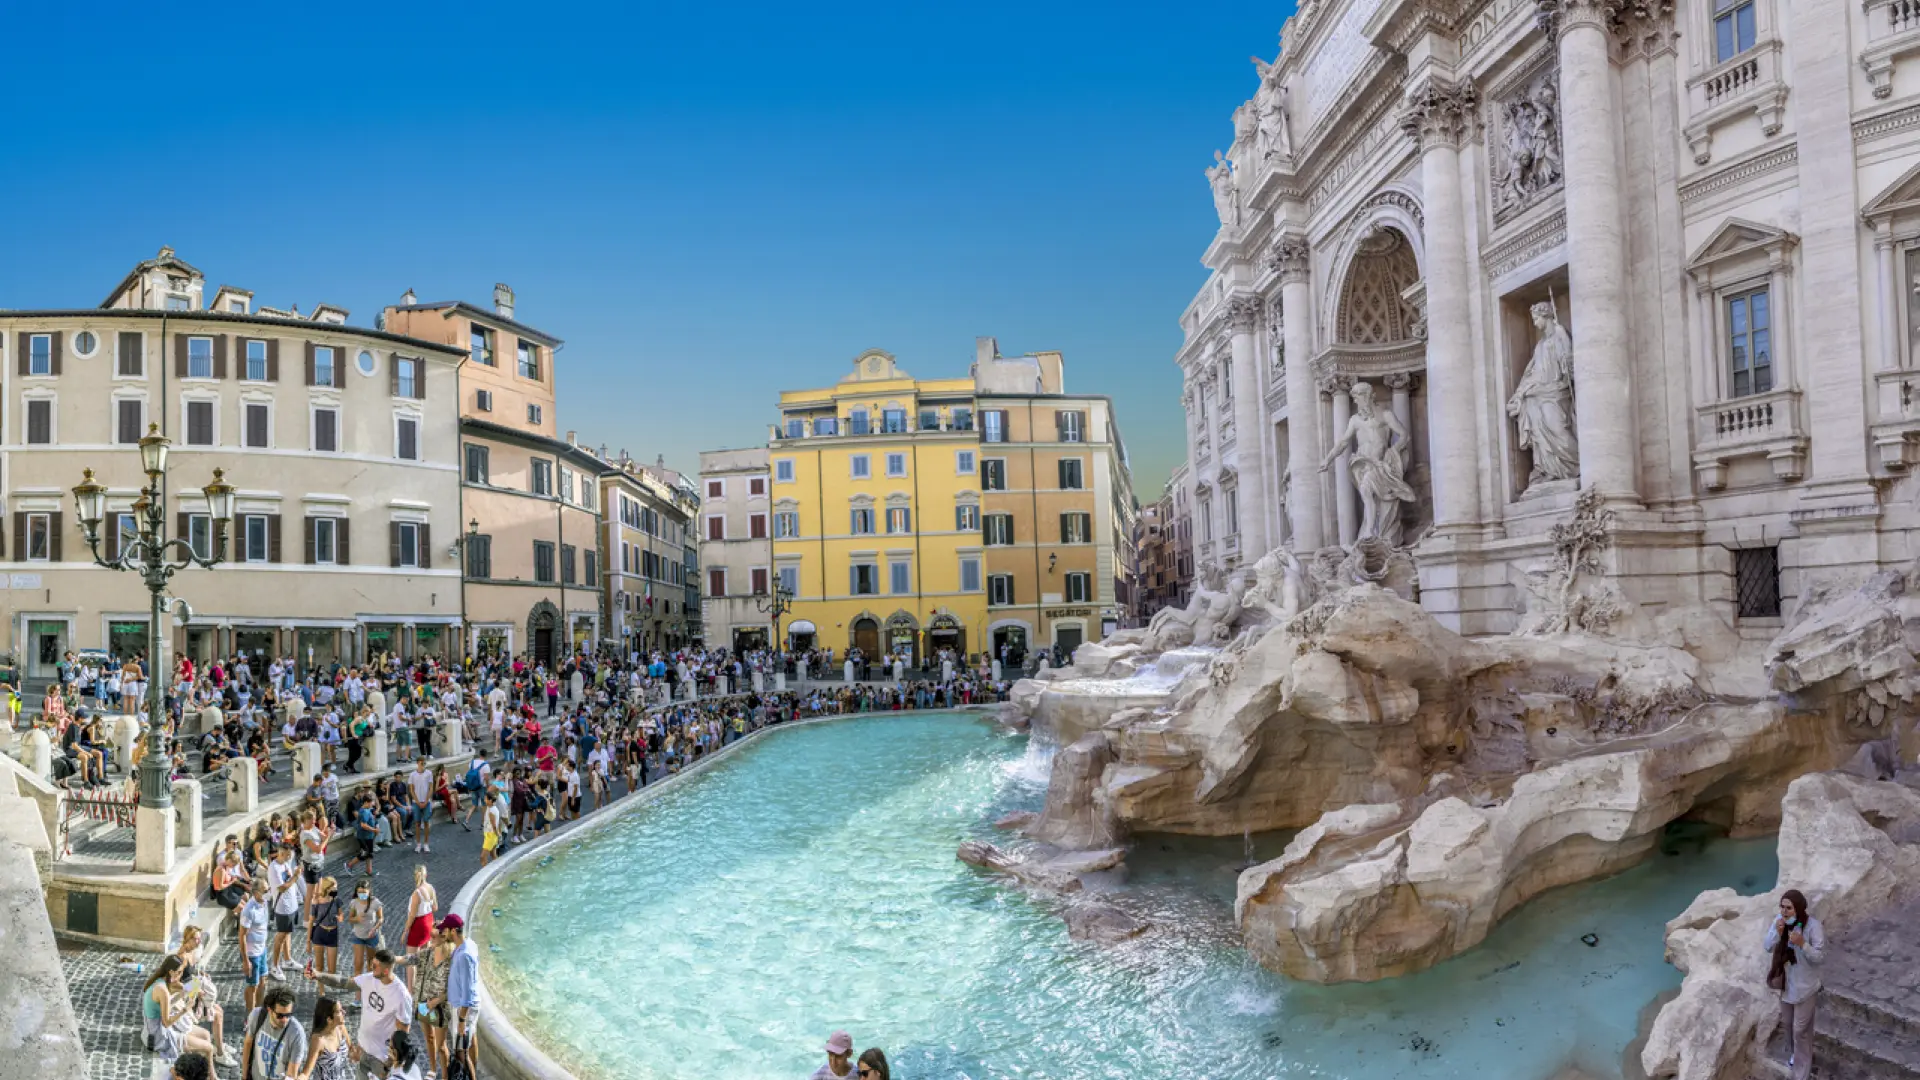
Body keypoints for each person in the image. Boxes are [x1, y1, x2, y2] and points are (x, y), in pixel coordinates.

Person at [304, 948, 414, 1078]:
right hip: (363, 1052)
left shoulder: (401, 995)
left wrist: (390, 1063)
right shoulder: (369, 978)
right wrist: (318, 975)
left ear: (385, 971)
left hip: (381, 1059)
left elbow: (403, 1032)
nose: (370, 967)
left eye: (374, 966)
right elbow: (344, 982)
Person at [1765, 888, 1826, 1079]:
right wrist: (1777, 932)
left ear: (1798, 908)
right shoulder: (1779, 922)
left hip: (1806, 988)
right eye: (1782, 907)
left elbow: (1819, 957)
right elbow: (1767, 946)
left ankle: (1801, 1073)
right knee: (1789, 1024)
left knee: (1801, 1031)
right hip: (1786, 987)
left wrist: (1802, 944)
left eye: (1788, 908)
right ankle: (1796, 1054)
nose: (1784, 911)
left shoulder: (1813, 927)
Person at [172, 925, 236, 1068]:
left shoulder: (190, 953)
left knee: (219, 1010)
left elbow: (190, 976)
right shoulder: (181, 957)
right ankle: (219, 1053)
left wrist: (200, 976)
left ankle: (219, 1044)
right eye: (196, 939)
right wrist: (196, 989)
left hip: (194, 996)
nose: (199, 942)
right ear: (188, 939)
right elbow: (176, 985)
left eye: (200, 938)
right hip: (187, 1002)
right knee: (218, 1015)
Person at [143, 955, 219, 1067]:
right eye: (179, 972)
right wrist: (185, 1009)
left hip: (157, 1030)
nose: (181, 975)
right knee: (209, 1048)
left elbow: (177, 993)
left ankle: (199, 1071)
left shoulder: (160, 981)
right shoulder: (162, 989)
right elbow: (166, 1022)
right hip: (159, 1036)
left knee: (206, 1035)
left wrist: (188, 991)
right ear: (170, 972)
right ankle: (210, 1075)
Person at [439, 914, 481, 1080]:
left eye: (446, 930)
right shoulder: (468, 944)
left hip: (464, 1011)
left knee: (460, 1053)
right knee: (466, 1047)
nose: (444, 932)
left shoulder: (464, 955)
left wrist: (462, 1019)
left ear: (454, 931)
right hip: (465, 1010)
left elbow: (468, 991)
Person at [238, 986, 308, 1080]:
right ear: (269, 1010)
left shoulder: (297, 1034)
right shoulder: (257, 1016)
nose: (284, 1020)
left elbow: (292, 1073)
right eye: (280, 1015)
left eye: (288, 1015)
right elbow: (248, 1043)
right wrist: (244, 1075)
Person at [266, 845, 305, 979]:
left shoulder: (286, 864)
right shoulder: (274, 868)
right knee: (281, 936)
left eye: (291, 855)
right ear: (281, 853)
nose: (290, 857)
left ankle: (287, 960)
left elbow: (290, 880)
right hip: (283, 907)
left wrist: (295, 874)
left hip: (292, 904)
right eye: (288, 855)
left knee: (288, 932)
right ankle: (274, 966)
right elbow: (282, 887)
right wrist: (295, 876)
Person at [300, 997, 355, 1080]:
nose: (344, 1012)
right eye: (339, 1011)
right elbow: (306, 1073)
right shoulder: (318, 1040)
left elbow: (351, 1049)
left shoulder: (340, 1028)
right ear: (329, 1019)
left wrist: (355, 1054)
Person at [239, 877, 272, 1015]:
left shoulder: (263, 903)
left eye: (268, 889)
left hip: (262, 949)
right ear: (256, 892)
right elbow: (242, 936)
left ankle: (259, 1011)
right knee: (253, 985)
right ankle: (250, 1015)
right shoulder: (248, 911)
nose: (268, 892)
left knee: (263, 982)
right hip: (252, 953)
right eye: (265, 890)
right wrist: (246, 961)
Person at [344, 878, 385, 978]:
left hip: (371, 936)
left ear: (369, 891)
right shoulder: (354, 902)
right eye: (359, 892)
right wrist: (356, 918)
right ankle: (358, 986)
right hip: (358, 936)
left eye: (364, 892)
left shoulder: (375, 902)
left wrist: (374, 928)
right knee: (358, 963)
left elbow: (381, 918)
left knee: (371, 963)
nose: (362, 895)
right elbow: (350, 919)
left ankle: (369, 985)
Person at [402, 864, 438, 977]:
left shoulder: (416, 893)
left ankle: (411, 988)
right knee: (424, 956)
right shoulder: (431, 888)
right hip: (429, 922)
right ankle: (422, 981)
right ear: (426, 874)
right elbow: (435, 908)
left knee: (411, 959)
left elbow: (412, 916)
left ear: (415, 876)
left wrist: (405, 931)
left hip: (419, 925)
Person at [307, 876, 343, 975]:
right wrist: (308, 942)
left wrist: (340, 918)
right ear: (327, 888)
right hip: (319, 932)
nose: (336, 890)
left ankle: (328, 986)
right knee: (319, 967)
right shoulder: (317, 901)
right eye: (334, 888)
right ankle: (321, 991)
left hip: (332, 933)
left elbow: (341, 915)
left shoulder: (337, 900)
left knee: (332, 970)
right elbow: (311, 922)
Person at [345, 792, 380, 877]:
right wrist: (374, 830)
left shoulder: (367, 809)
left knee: (369, 853)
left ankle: (369, 871)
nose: (373, 804)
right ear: (366, 802)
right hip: (364, 836)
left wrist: (376, 824)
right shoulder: (364, 812)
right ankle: (349, 865)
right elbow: (363, 825)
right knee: (365, 853)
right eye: (372, 802)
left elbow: (372, 819)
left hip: (369, 836)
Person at [406, 758, 434, 853]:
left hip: (426, 801)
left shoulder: (429, 773)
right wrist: (417, 801)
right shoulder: (412, 775)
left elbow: (431, 788)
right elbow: (411, 789)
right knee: (417, 823)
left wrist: (426, 800)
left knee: (426, 823)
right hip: (416, 802)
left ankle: (426, 843)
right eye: (421, 763)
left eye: (424, 763)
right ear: (418, 763)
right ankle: (418, 843)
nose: (423, 764)